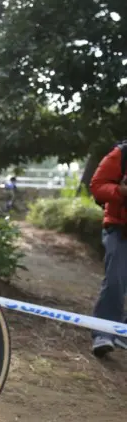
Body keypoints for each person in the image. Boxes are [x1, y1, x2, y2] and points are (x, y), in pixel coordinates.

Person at [89, 146, 127, 357]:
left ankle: (121, 331)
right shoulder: (123, 153)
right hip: (119, 229)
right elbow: (97, 186)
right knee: (115, 280)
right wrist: (120, 192)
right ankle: (104, 334)